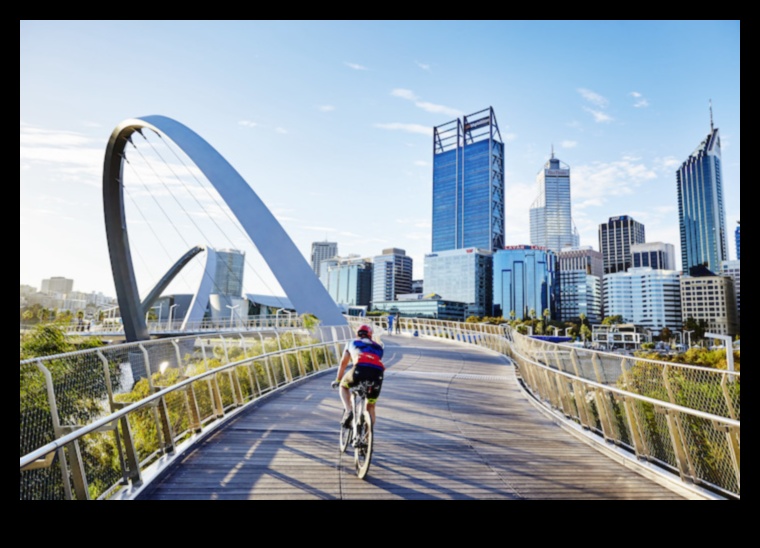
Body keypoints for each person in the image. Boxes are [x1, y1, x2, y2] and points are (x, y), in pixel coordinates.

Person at [331, 323, 385, 427]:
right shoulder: (378, 347)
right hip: (378, 373)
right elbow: (374, 362)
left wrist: (338, 380)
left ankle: (349, 410)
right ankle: (367, 437)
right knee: (371, 405)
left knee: (343, 385)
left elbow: (343, 363)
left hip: (359, 369)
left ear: (357, 334)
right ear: (370, 335)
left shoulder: (351, 343)